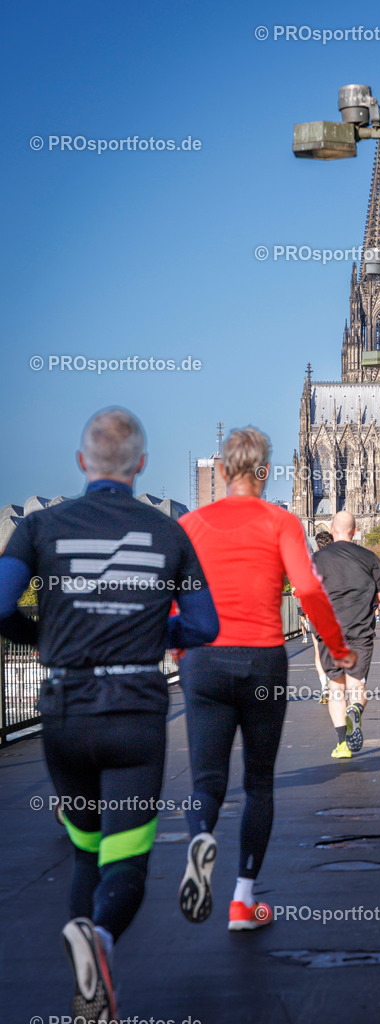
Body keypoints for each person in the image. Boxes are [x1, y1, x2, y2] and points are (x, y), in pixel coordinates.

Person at [0, 408, 219, 1024]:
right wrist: (153, 627)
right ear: (141, 466)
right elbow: (204, 625)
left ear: (81, 463)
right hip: (135, 714)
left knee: (86, 851)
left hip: (64, 713)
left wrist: (39, 635)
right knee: (126, 860)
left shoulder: (40, 528)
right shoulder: (169, 534)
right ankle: (96, 941)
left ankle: (91, 993)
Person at [177, 428, 355, 931]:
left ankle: (199, 838)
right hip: (262, 660)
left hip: (204, 662)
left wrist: (178, 647)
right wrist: (337, 648)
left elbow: (173, 596)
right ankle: (243, 900)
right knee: (258, 782)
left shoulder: (189, 524)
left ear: (222, 471)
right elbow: (309, 591)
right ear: (265, 472)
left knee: (207, 779)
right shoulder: (280, 521)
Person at [313, 511, 380, 758]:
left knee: (336, 688)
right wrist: (363, 599)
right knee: (357, 685)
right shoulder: (369, 558)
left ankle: (342, 745)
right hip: (360, 630)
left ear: (332, 529)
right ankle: (356, 709)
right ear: (355, 531)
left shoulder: (316, 558)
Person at [311, 530, 334, 703]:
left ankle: (324, 685)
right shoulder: (341, 560)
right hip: (338, 611)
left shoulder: (311, 561)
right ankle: (336, 684)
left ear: (317, 546)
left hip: (318, 611)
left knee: (319, 650)